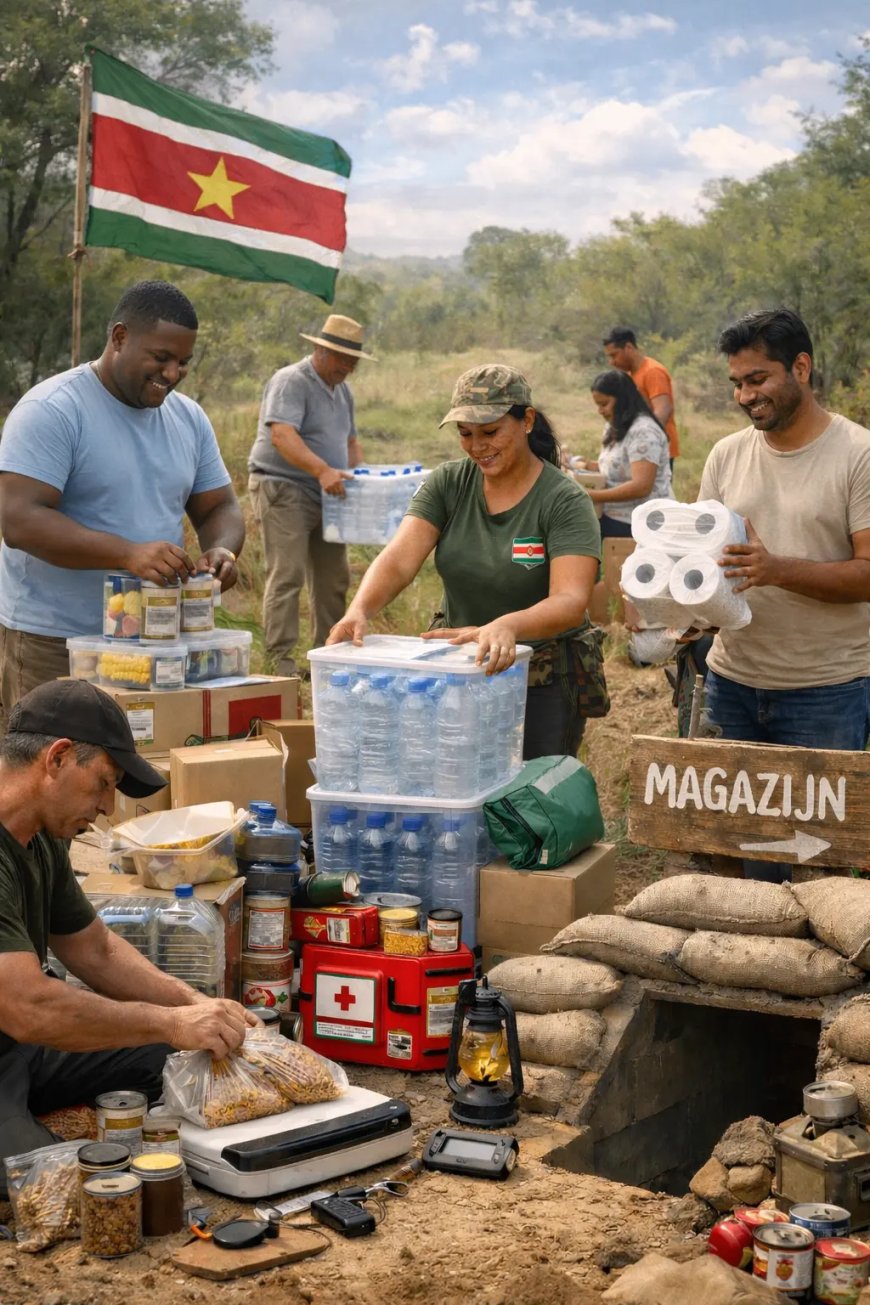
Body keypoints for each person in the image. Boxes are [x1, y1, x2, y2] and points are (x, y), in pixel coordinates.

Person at [0, 678, 255, 1193]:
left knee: (182, 1059)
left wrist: (192, 1007)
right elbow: (28, 1008)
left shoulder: (42, 834)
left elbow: (93, 949)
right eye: (104, 784)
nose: (107, 807)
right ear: (58, 758)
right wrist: (169, 1021)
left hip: (21, 1044)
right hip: (17, 1026)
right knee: (57, 1184)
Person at [0, 280, 244, 730]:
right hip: (56, 640)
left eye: (183, 362)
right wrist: (129, 554)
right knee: (48, 775)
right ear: (119, 338)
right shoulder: (53, 410)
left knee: (139, 777)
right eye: (161, 358)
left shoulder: (188, 418)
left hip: (152, 641)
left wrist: (222, 552)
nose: (173, 373)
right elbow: (19, 521)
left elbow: (219, 508)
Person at [327, 364, 604, 758]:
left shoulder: (564, 501)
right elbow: (399, 561)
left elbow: (570, 601)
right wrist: (359, 610)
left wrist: (507, 625)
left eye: (490, 432)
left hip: (541, 679)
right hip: (458, 671)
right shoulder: (450, 484)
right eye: (465, 434)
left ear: (526, 421)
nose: (477, 447)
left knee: (530, 800)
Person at [699, 306, 870, 881]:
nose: (746, 397)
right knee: (740, 856)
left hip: (827, 691)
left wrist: (776, 570)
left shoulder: (858, 454)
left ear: (801, 367)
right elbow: (705, 563)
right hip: (732, 683)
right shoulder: (727, 454)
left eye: (757, 379)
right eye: (737, 384)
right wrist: (686, 610)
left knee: (819, 863)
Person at [248, 314, 374, 675]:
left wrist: (360, 477)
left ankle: (329, 655)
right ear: (320, 350)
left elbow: (350, 442)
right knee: (287, 574)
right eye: (342, 359)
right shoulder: (292, 381)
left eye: (353, 362)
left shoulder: (342, 391)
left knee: (334, 577)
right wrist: (321, 470)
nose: (348, 368)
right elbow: (282, 436)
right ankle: (281, 663)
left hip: (329, 492)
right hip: (284, 486)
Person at [584, 369, 673, 538]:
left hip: (641, 522)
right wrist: (582, 466)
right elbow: (619, 467)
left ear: (622, 401)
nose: (600, 411)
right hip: (615, 514)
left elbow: (641, 486)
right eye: (598, 405)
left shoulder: (644, 432)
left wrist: (591, 496)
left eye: (604, 404)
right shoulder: (615, 426)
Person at [603, 327, 680, 468]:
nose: (611, 362)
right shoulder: (631, 375)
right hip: (638, 448)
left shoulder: (653, 371)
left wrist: (642, 439)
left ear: (629, 347)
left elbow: (662, 410)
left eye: (614, 355)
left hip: (655, 448)